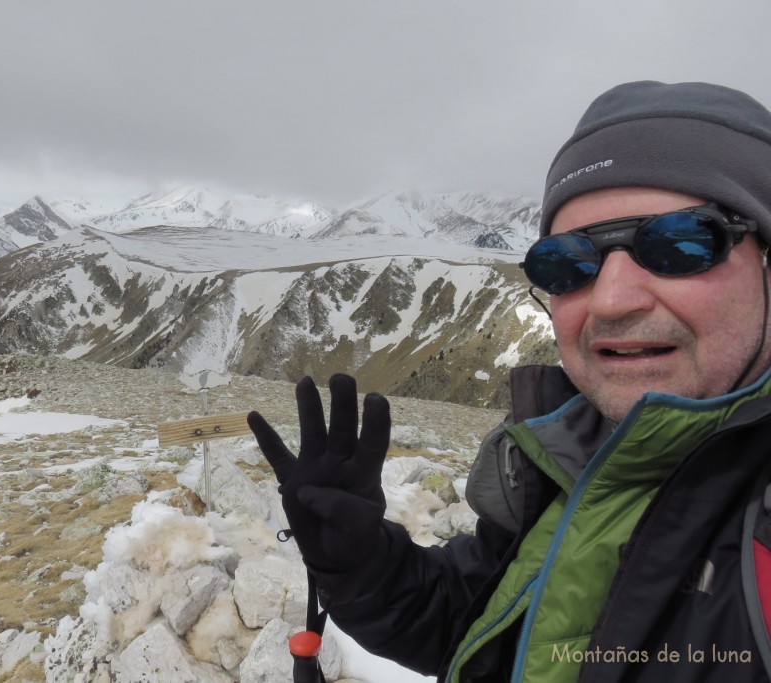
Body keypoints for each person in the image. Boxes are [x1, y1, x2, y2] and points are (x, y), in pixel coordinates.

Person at [247, 80, 771, 682]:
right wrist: (365, 567)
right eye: (567, 261)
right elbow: (478, 627)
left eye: (680, 244)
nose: (611, 298)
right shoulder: (572, 461)